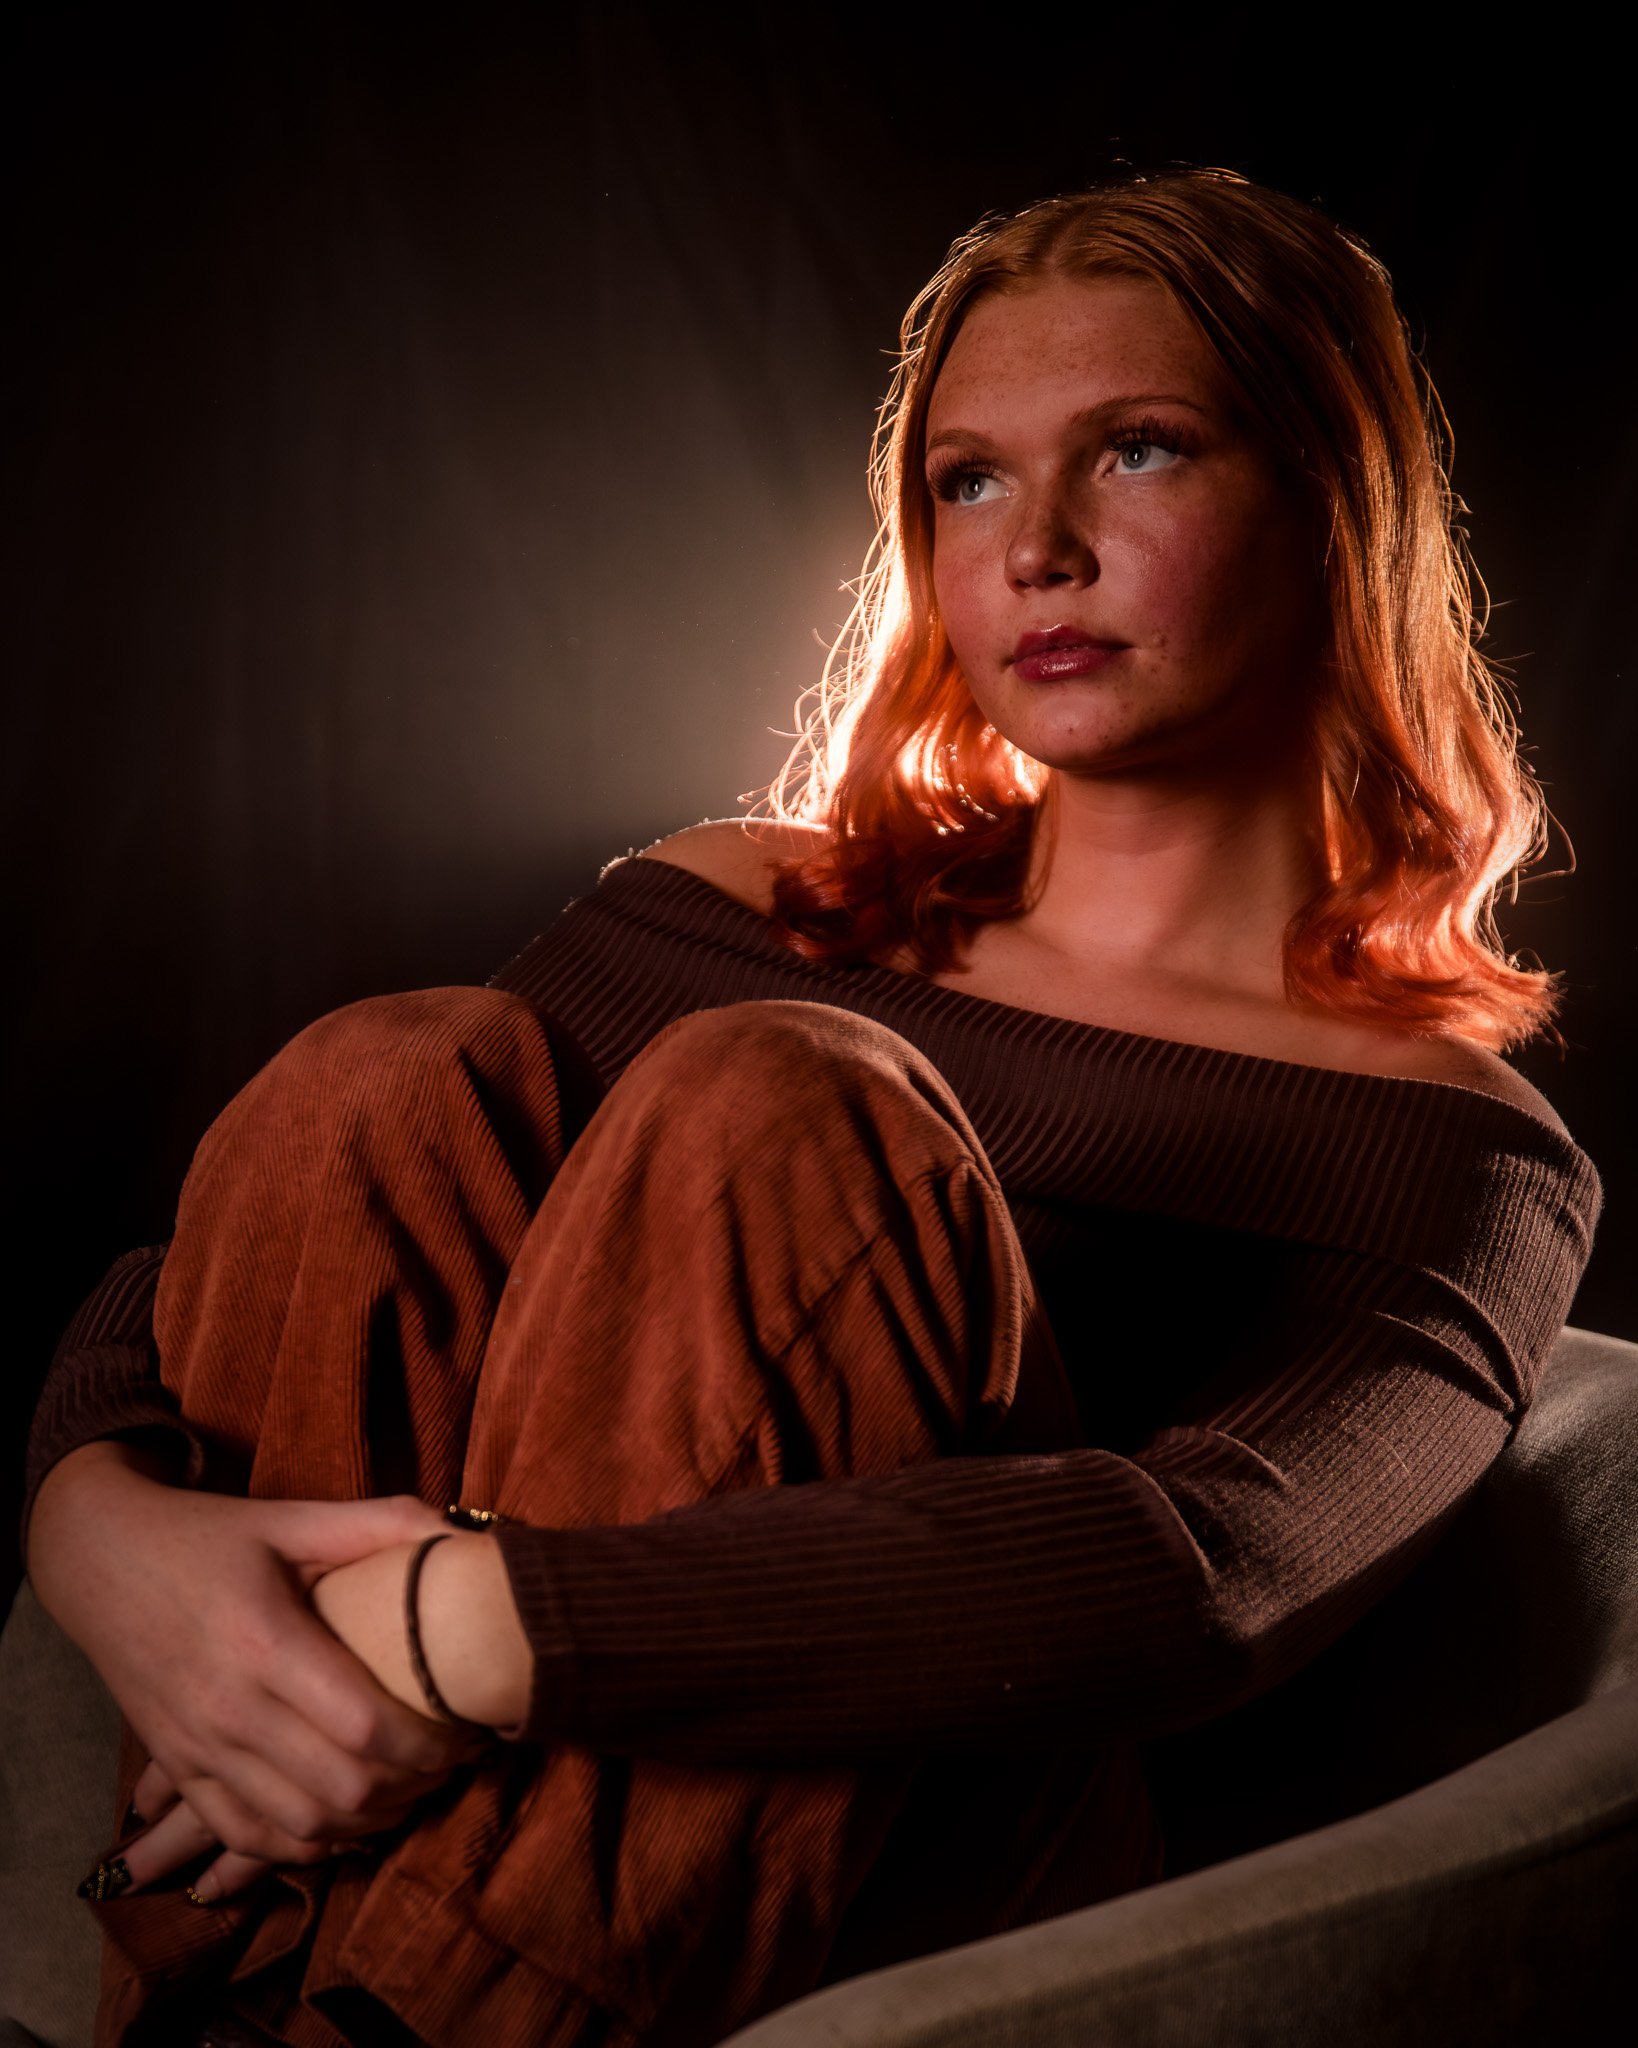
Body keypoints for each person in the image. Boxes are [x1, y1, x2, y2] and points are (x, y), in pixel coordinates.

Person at [23, 168, 1601, 2048]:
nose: (1038, 548)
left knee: (784, 1094)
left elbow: (1192, 1576)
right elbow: (266, 1252)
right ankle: (217, 2009)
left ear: (1335, 510)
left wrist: (451, 1631)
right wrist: (92, 1518)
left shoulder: (1443, 1137)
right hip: (358, 1837)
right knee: (392, 1068)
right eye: (971, 478)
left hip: (931, 1872)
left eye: (1143, 453)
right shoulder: (728, 905)